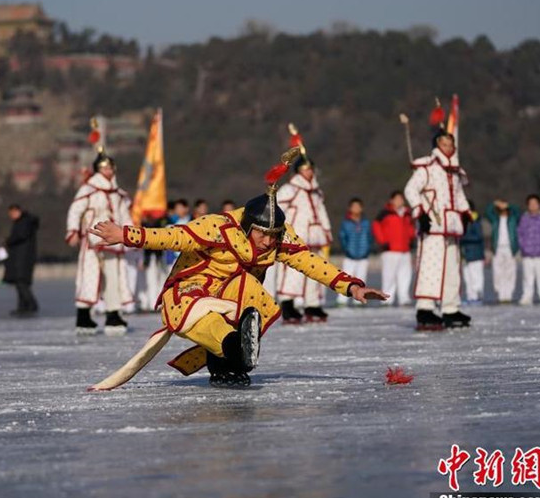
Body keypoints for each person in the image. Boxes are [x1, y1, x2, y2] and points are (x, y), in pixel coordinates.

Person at [88, 148, 387, 390]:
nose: (268, 241)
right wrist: (126, 235)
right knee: (213, 324)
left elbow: (311, 262)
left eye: (273, 235)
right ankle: (236, 351)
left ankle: (228, 364)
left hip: (232, 294)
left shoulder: (279, 237)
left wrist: (351, 286)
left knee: (248, 290)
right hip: (191, 291)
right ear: (247, 227)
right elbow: (173, 236)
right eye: (261, 233)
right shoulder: (217, 227)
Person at [404, 128, 471, 330]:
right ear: (436, 146)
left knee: (452, 269)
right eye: (444, 144)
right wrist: (420, 212)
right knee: (430, 267)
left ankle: (450, 308)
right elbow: (410, 189)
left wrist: (466, 212)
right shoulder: (427, 167)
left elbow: (459, 195)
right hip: (432, 225)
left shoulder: (456, 171)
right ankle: (425, 308)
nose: (448, 148)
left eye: (451, 144)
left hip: (451, 226)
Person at [66, 148, 133, 335]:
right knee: (89, 276)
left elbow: (125, 215)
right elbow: (75, 210)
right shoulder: (88, 189)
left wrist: (131, 234)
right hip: (93, 238)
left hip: (114, 240)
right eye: (104, 168)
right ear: (97, 170)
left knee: (114, 277)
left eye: (111, 168)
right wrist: (72, 230)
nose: (109, 171)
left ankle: (113, 314)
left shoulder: (118, 193)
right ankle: (83, 316)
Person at [275, 152, 333, 323]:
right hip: (295, 236)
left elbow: (321, 212)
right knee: (292, 271)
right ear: (299, 171)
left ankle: (312, 304)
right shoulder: (290, 189)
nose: (309, 172)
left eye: (311, 169)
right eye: (306, 169)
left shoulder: (316, 192)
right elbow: (277, 209)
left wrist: (327, 231)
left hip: (315, 237)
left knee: (315, 269)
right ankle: (287, 304)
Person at [372, 191, 415, 306]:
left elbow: (411, 227)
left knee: (405, 275)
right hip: (390, 250)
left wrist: (411, 239)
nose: (400, 201)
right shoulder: (385, 213)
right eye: (397, 199)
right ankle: (387, 298)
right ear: (391, 200)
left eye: (401, 199)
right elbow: (376, 226)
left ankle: (404, 298)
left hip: (405, 250)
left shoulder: (407, 213)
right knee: (389, 276)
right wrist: (382, 242)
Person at [3, 204, 40, 317]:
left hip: (23, 257)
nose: (11, 216)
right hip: (21, 256)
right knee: (21, 282)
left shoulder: (24, 222)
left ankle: (31, 304)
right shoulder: (24, 222)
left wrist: (8, 241)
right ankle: (22, 307)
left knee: (21, 282)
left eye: (12, 213)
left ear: (17, 211)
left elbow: (20, 236)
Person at [336, 198, 373, 306]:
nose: (356, 209)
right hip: (349, 256)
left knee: (361, 278)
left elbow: (370, 237)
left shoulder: (366, 223)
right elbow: (342, 237)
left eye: (358, 206)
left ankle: (359, 300)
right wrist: (346, 250)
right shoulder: (345, 223)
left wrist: (367, 250)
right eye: (354, 206)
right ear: (350, 208)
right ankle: (342, 300)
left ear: (362, 208)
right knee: (346, 279)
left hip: (363, 256)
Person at [517, 194, 540, 305]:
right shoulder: (524, 218)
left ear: (539, 205)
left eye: (535, 203)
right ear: (528, 205)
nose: (533, 206)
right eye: (530, 204)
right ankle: (527, 297)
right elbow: (520, 234)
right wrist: (523, 247)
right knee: (527, 278)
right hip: (527, 254)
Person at [484, 199, 521, 303]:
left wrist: (508, 205)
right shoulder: (495, 220)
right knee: (498, 272)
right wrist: (495, 204)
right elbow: (487, 212)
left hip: (510, 248)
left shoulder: (513, 219)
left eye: (505, 210)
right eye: (501, 210)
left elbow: (518, 211)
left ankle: (508, 294)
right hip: (498, 248)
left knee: (510, 272)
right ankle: (500, 294)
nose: (503, 212)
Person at [459, 201, 486, 304]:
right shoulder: (461, 221)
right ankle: (471, 296)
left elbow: (478, 236)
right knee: (467, 277)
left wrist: (463, 238)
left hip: (475, 254)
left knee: (476, 277)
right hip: (465, 255)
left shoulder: (475, 220)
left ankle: (478, 296)